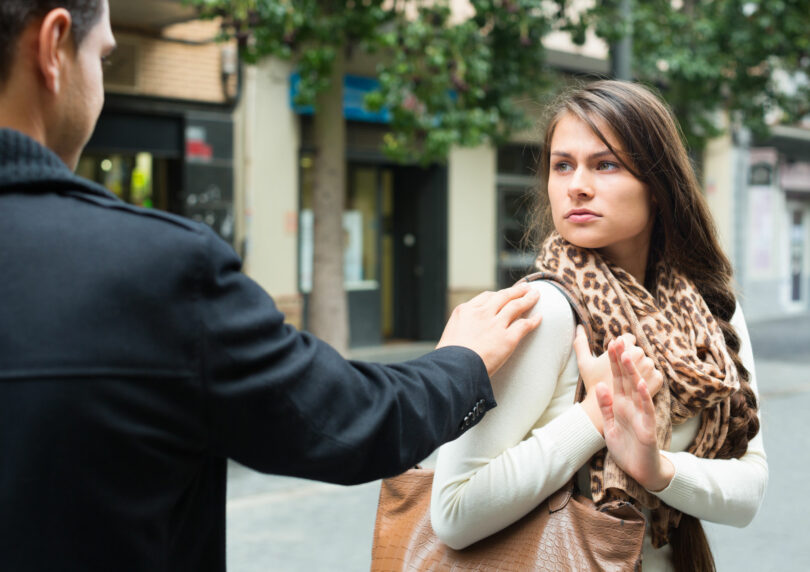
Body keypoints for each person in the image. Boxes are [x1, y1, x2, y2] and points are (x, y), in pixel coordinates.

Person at [0, 1, 544, 570]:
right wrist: (463, 362)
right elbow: (348, 421)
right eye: (104, 58)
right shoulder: (155, 270)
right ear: (54, 46)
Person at [430, 80, 768, 571]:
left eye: (605, 164)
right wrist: (594, 417)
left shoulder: (713, 313)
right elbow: (453, 512)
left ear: (659, 186)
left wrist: (657, 469)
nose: (577, 185)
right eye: (562, 165)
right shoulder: (544, 312)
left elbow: (749, 490)